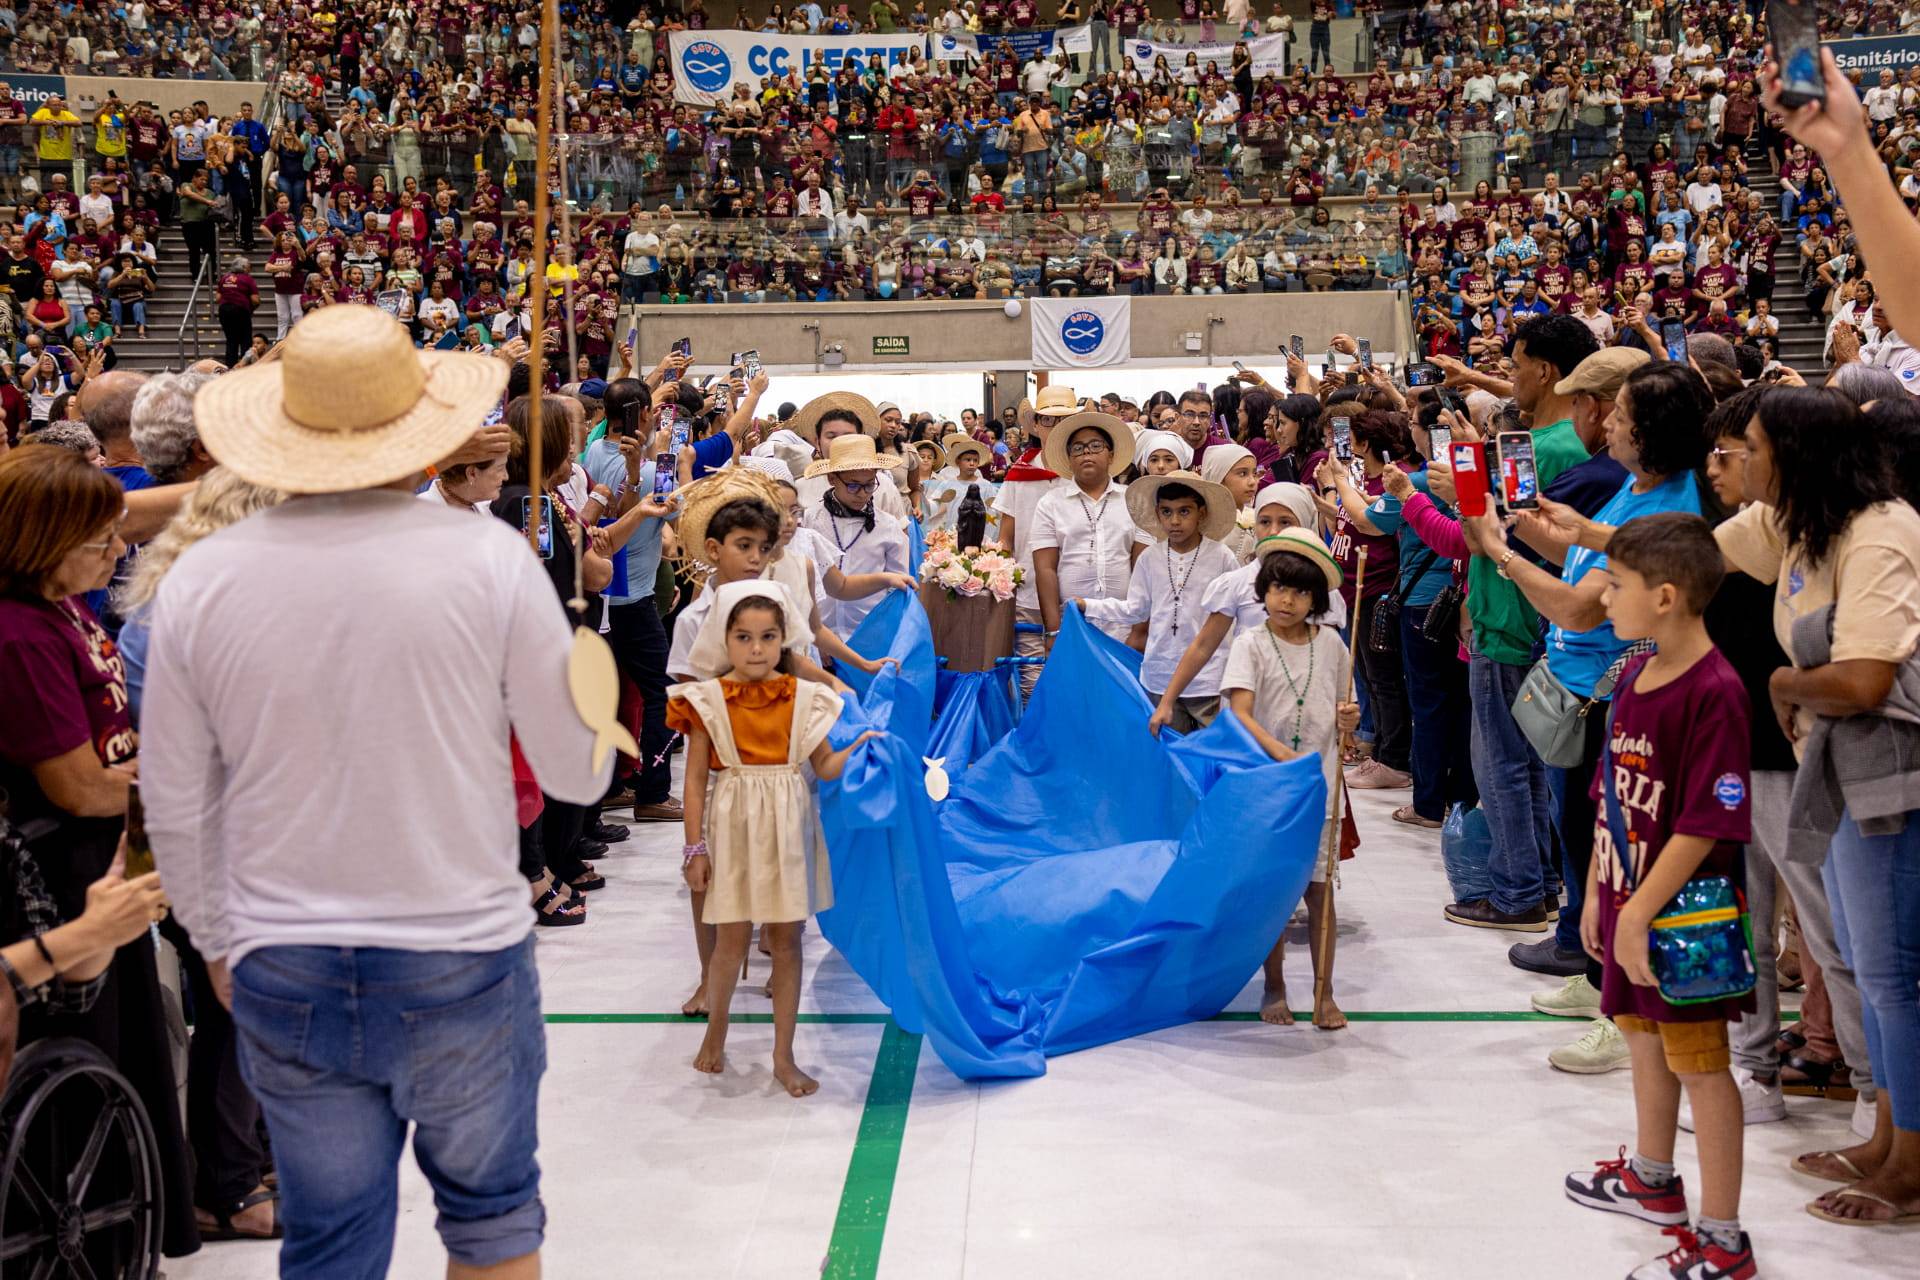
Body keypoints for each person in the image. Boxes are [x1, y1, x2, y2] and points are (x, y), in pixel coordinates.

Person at [140, 306, 610, 1280]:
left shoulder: (202, 576)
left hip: (283, 949)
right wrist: (591, 694)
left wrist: (218, 939)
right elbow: (576, 772)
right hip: (459, 945)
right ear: (419, 433)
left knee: (330, 1239)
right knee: (491, 1221)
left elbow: (178, 797)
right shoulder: (486, 557)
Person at [1714, 387, 1920, 1228]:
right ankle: (1889, 1139)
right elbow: (1698, 552)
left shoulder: (1882, 530)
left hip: (1887, 778)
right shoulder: (1802, 523)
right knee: (1869, 970)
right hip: (1835, 768)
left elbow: (1865, 677)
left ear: (1798, 456)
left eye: (1753, 447)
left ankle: (1911, 1163)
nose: (1740, 461)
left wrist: (1782, 681)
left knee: (1893, 979)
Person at [0, 442, 200, 1259]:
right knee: (95, 1041)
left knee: (134, 1038)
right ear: (46, 542)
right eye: (98, 540)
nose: (117, 550)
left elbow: (132, 517)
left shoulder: (63, 602)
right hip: (60, 872)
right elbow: (78, 786)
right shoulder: (19, 635)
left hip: (113, 843)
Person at [1560, 512, 1758, 1280]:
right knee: (1641, 1035)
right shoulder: (1634, 676)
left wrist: (1640, 910)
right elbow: (1611, 793)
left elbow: (1708, 820)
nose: (1605, 598)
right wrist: (1598, 896)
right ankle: (1652, 1177)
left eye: (1617, 585)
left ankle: (1724, 1238)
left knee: (1700, 1065)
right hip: (1625, 899)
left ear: (1666, 596)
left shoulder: (1716, 692)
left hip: (1685, 917)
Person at [669, 581, 880, 1097]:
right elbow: (694, 782)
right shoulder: (707, 702)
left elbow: (824, 765)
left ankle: (784, 1056)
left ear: (784, 640)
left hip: (788, 829)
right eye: (743, 637)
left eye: (767, 637)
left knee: (786, 942)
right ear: (725, 640)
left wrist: (861, 747)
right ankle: (717, 1030)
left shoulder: (805, 699)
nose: (756, 648)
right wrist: (695, 848)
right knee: (730, 941)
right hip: (733, 828)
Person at [1220, 529, 1359, 1031]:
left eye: (1300, 592)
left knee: (1321, 894)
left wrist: (1350, 720)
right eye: (1278, 587)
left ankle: (1325, 991)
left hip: (1320, 792)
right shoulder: (1250, 645)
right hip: (1269, 792)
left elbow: (1344, 711)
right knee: (1273, 897)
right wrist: (1283, 756)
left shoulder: (1334, 645)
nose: (1286, 600)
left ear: (1316, 599)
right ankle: (1274, 984)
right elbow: (1239, 715)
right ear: (1264, 590)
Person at [1081, 469, 1241, 730]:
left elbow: (1235, 615)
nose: (1174, 521)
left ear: (1201, 513)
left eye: (1184, 511)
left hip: (1209, 679)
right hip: (1160, 674)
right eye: (1167, 512)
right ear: (1157, 514)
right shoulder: (1149, 558)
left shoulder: (1222, 557)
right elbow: (1136, 610)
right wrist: (1088, 606)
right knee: (1168, 748)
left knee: (1211, 750)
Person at [1032, 409, 1146, 645]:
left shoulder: (1134, 501)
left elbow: (1144, 569)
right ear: (1069, 458)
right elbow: (1045, 570)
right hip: (1071, 624)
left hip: (1123, 625)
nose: (1086, 453)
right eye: (1078, 448)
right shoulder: (1051, 503)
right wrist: (1053, 632)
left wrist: (1138, 632)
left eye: (1095, 446)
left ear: (1111, 454)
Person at [799, 431, 912, 639]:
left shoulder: (887, 526)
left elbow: (898, 584)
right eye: (853, 486)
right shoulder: (811, 520)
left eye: (869, 485)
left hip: (869, 632)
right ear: (832, 478)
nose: (862, 494)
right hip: (819, 632)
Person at [216, 254, 260, 369]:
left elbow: (218, 298)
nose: (250, 268)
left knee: (231, 341)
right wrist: (252, 307)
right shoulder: (248, 279)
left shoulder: (225, 277)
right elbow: (255, 300)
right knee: (245, 341)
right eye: (249, 266)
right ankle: (245, 369)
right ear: (244, 267)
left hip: (224, 311)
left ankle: (230, 368)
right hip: (240, 311)